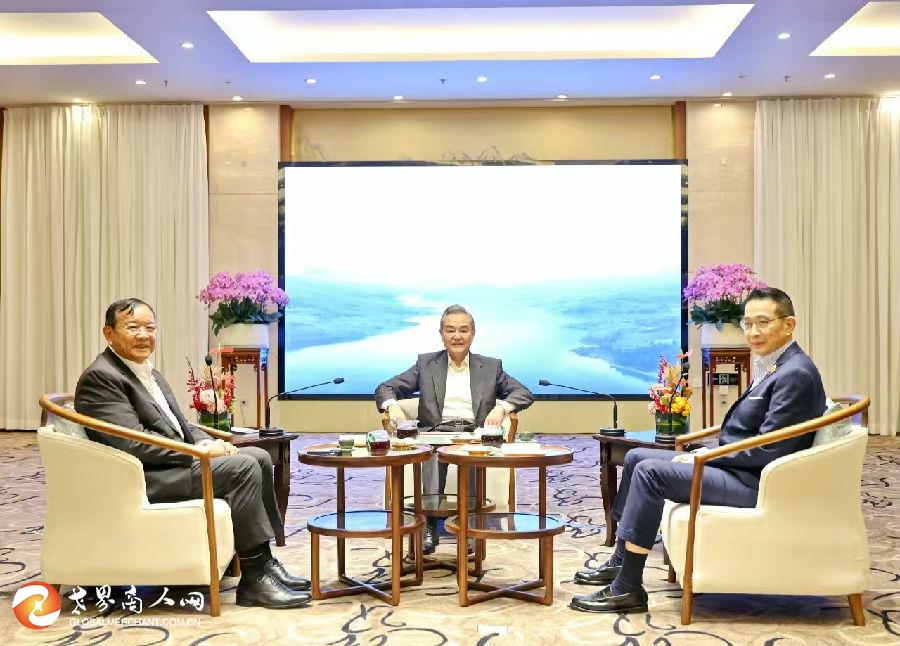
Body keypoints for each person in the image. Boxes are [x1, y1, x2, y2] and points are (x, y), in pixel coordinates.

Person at [570, 287, 827, 614]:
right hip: (739, 469)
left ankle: (628, 588)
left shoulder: (796, 374)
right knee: (636, 457)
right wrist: (705, 451)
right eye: (747, 323)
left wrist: (706, 456)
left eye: (763, 322)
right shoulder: (777, 364)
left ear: (789, 325)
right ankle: (620, 561)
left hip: (755, 483)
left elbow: (768, 449)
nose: (753, 332)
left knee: (651, 473)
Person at [75, 298, 312, 610]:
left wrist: (211, 443)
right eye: (133, 327)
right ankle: (254, 579)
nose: (144, 335)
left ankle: (265, 562)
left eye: (150, 328)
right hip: (147, 478)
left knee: (258, 456)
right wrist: (198, 452)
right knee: (242, 468)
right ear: (109, 333)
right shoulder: (101, 377)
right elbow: (132, 443)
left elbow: (178, 425)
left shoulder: (146, 372)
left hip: (168, 465)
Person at [375, 304, 534, 554]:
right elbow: (385, 388)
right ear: (441, 334)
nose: (457, 336)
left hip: (472, 434)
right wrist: (392, 406)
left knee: (471, 455)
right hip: (436, 432)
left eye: (463, 330)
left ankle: (469, 526)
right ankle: (428, 526)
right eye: (450, 330)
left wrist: (501, 407)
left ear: (473, 333)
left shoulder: (490, 366)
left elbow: (523, 392)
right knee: (430, 454)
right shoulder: (426, 363)